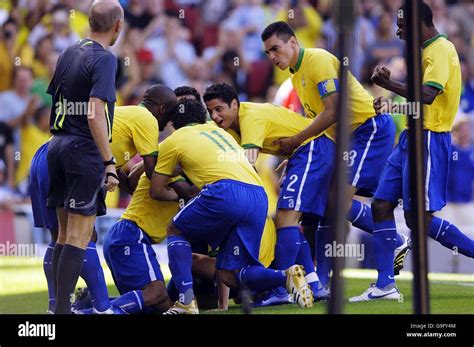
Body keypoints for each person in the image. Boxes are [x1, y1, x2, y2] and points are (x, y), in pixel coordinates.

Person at [261, 21, 410, 296]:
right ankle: (323, 283)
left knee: (337, 202)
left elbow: (332, 111)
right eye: (267, 52)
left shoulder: (317, 60)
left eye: (275, 49)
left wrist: (294, 141)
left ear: (293, 42)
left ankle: (395, 241)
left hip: (369, 128)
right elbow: (315, 119)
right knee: (328, 206)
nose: (272, 56)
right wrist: (297, 153)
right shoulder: (295, 76)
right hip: (343, 138)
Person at [350, 1, 473, 302]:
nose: (398, 30)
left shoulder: (441, 50)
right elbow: (420, 103)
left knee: (418, 218)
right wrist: (391, 104)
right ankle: (384, 285)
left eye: (403, 25)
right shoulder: (426, 52)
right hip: (410, 137)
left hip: (430, 141)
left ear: (419, 23)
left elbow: (429, 96)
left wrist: (390, 83)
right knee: (380, 205)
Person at [150, 98, 314, 314]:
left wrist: (181, 188)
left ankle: (186, 302)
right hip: (257, 194)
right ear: (203, 117)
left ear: (173, 123)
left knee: (174, 229)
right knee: (229, 273)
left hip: (224, 191)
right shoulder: (220, 133)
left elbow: (156, 190)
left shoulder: (174, 140)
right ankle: (285, 276)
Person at [31, 83, 177, 313]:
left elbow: (125, 181)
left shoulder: (123, 117)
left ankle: (55, 308)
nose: (168, 124)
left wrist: (133, 174)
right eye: (170, 116)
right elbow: (153, 172)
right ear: (161, 109)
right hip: (74, 158)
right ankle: (102, 307)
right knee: (84, 235)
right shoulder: (146, 119)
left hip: (47, 155)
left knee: (60, 237)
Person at [203, 83, 328, 303]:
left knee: (286, 219)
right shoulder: (232, 127)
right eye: (210, 111)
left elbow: (248, 164)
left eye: (219, 109)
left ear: (234, 104)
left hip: (313, 147)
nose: (214, 116)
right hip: (304, 153)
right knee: (292, 220)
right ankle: (314, 285)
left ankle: (279, 291)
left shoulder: (250, 117)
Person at [45, 0, 123, 314]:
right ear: (118, 25)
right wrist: (109, 163)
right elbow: (94, 113)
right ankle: (62, 312)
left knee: (64, 235)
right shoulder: (105, 59)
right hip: (82, 152)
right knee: (79, 236)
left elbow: (57, 101)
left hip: (57, 145)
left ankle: (57, 310)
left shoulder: (68, 52)